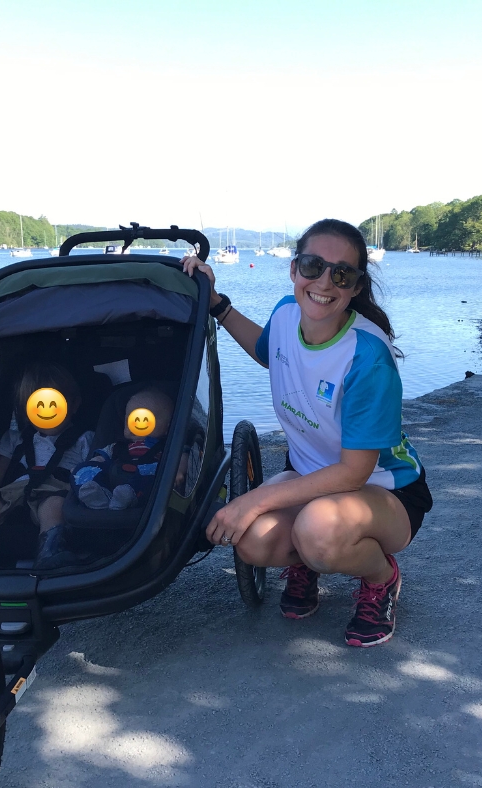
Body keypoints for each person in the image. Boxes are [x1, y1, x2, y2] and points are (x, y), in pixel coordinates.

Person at [182, 219, 432, 647]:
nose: (324, 281)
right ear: (294, 269)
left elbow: (353, 474)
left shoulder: (367, 357)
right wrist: (217, 303)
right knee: (253, 542)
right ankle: (308, 563)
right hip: (312, 481)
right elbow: (267, 352)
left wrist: (253, 499)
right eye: (313, 266)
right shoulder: (284, 314)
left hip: (386, 492)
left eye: (341, 274)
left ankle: (380, 577)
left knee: (315, 530)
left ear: (355, 287)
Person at [0, 362, 93, 569]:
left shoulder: (84, 439)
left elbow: (91, 472)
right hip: (13, 493)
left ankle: (50, 556)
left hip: (56, 491)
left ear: (74, 405)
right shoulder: (15, 439)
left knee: (54, 506)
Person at [73, 387, 175, 510]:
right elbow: (101, 457)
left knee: (155, 473)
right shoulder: (117, 446)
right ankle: (98, 495)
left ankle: (128, 496)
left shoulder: (168, 448)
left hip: (146, 476)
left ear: (167, 427)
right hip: (114, 476)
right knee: (82, 469)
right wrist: (91, 464)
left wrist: (181, 465)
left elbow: (182, 459)